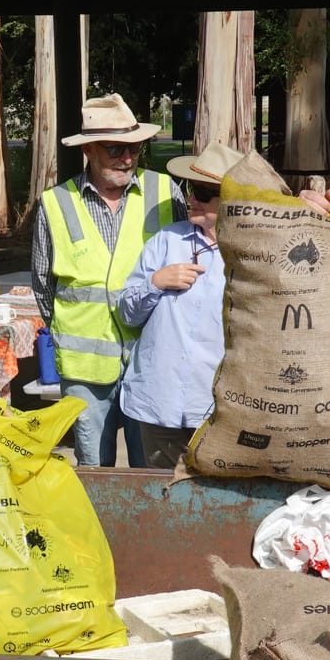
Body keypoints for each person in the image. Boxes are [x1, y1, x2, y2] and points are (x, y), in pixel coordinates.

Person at [30, 94, 181, 467]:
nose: (127, 158)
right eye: (115, 149)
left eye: (134, 148)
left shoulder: (166, 193)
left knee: (152, 473)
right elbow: (43, 287)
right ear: (89, 151)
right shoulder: (55, 203)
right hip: (85, 371)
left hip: (151, 363)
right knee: (94, 474)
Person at [115, 141, 238, 469]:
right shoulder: (166, 241)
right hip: (160, 405)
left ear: (230, 201)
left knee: (214, 507)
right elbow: (127, 311)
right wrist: (156, 283)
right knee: (160, 503)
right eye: (188, 188)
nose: (189, 197)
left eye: (201, 191)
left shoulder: (250, 257)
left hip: (218, 411)